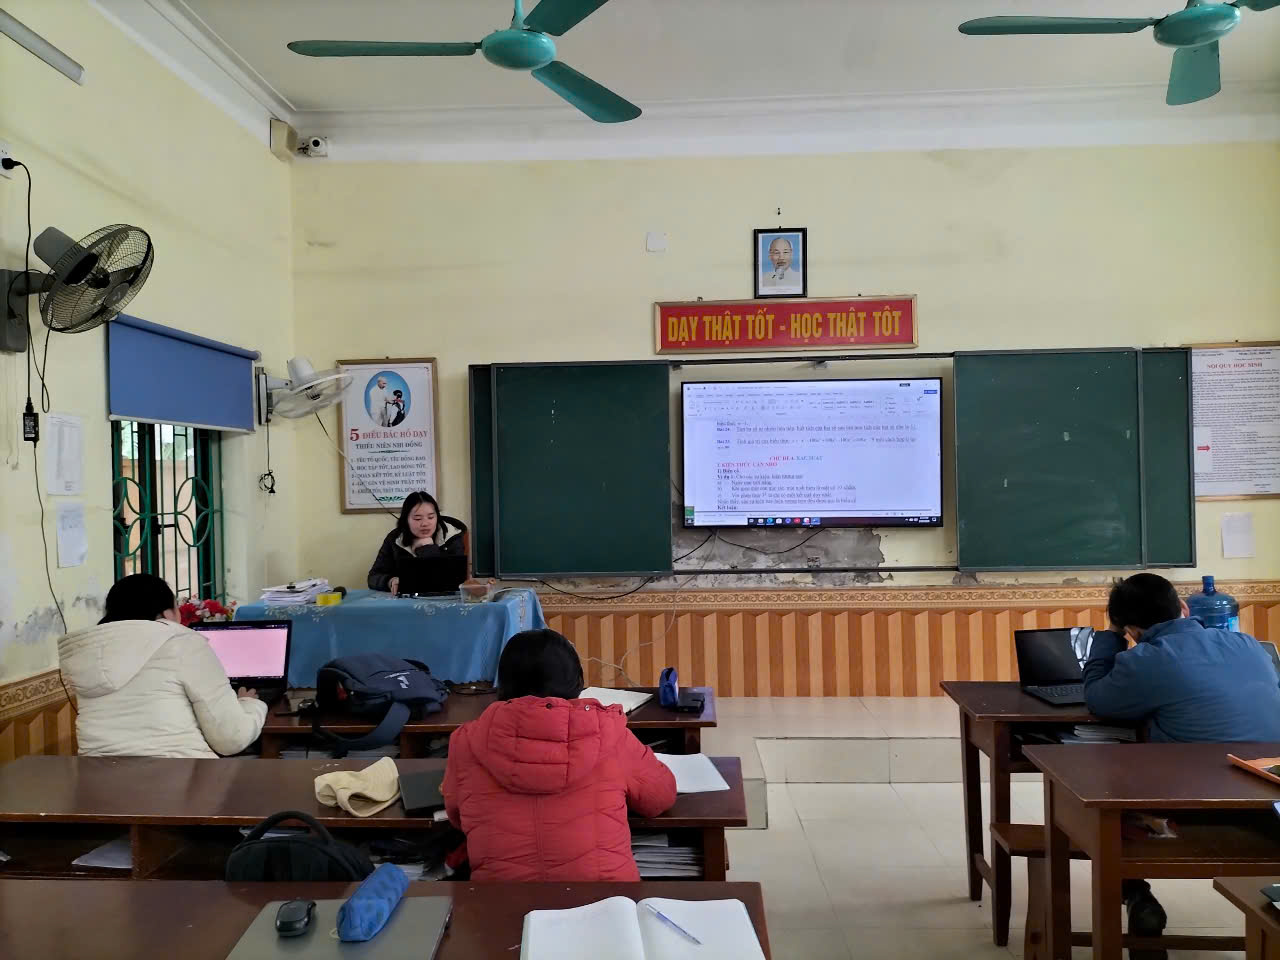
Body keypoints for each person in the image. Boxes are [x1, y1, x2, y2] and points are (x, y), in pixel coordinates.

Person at [1083, 572, 1280, 958]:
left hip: (1195, 811)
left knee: (1100, 799)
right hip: (1270, 805)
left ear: (1133, 630)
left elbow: (1097, 698)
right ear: (1184, 608)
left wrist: (1111, 635)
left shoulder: (1146, 660)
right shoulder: (1248, 645)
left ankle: (1137, 896)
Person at [441, 629, 677, 881]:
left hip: (503, 901)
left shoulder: (466, 741)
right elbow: (660, 797)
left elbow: (456, 816)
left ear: (504, 683)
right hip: (605, 899)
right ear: (577, 681)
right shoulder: (609, 733)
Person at [57, 574, 267, 758]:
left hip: (98, 783)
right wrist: (250, 704)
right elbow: (231, 738)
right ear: (166, 614)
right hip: (180, 779)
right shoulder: (181, 642)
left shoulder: (89, 653)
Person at [367, 492, 468, 595]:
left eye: (431, 517)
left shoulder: (452, 537)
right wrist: (390, 581)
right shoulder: (395, 539)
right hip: (405, 601)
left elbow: (454, 580)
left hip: (443, 600)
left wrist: (428, 548)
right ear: (406, 519)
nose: (425, 523)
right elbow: (373, 577)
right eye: (417, 519)